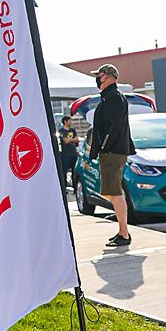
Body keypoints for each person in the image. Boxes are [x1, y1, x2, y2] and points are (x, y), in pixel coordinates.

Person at [89, 64, 135, 248]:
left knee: (115, 192)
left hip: (113, 151)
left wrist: (104, 146)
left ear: (107, 76)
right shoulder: (111, 96)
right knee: (113, 192)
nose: (97, 79)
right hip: (113, 150)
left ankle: (124, 233)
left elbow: (112, 126)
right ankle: (122, 231)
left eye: (99, 75)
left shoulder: (113, 97)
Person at [57, 114, 79, 190]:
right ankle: (64, 187)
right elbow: (65, 141)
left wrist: (70, 140)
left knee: (74, 171)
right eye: (69, 121)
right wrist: (73, 140)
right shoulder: (61, 131)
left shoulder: (73, 130)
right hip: (65, 154)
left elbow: (77, 139)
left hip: (74, 153)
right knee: (64, 171)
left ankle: (75, 187)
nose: (71, 122)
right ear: (65, 122)